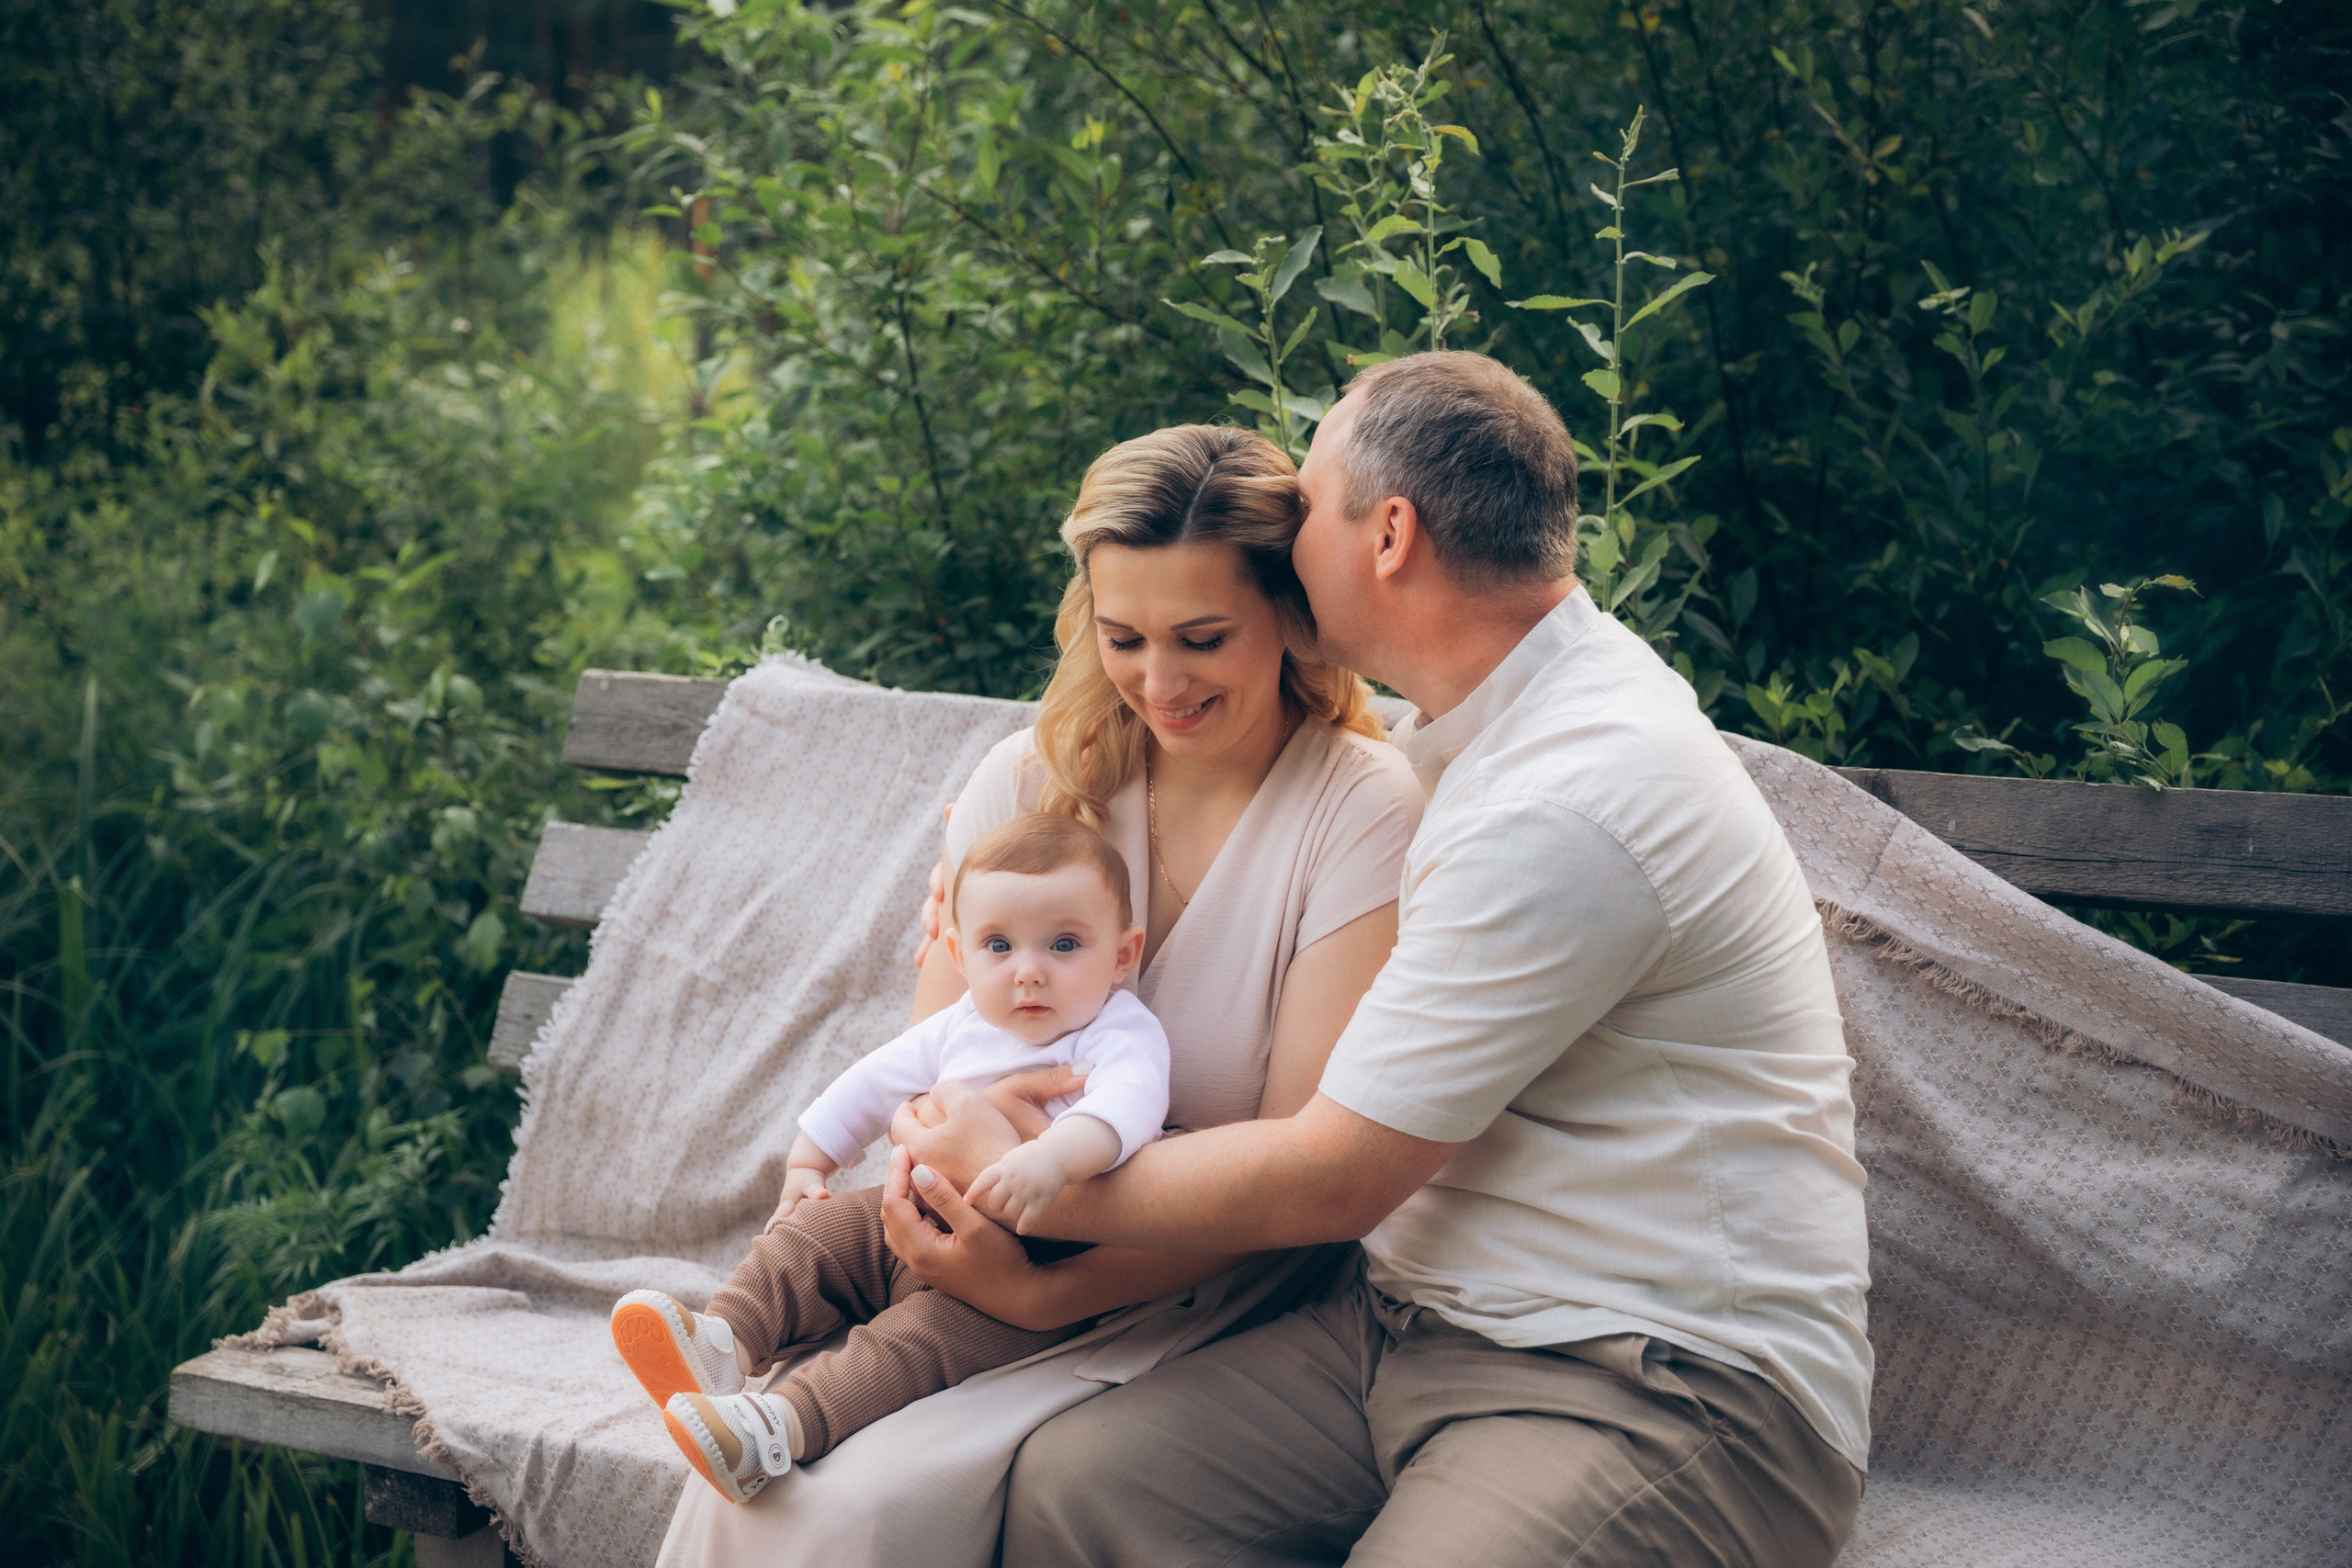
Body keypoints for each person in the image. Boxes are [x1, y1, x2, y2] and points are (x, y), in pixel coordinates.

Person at [889, 352, 1874, 1567]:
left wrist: (1017, 1174)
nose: (1281, 530)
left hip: (1655, 1374)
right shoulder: (1478, 731)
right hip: (1404, 1327)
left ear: (1390, 534)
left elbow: (1335, 1173)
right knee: (1078, 1490)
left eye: (1306, 501)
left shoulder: (1569, 795)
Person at [655, 423, 1424, 1566]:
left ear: (1291, 617)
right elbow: (938, 1093)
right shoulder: (1029, 785)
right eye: (1124, 637)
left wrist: (1045, 1294)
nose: (1159, 682)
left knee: (856, 1510)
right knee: (770, 1496)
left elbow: (1290, 1175)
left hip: (1207, 1289)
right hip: (968, 1252)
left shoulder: (1358, 810)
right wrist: (961, 1241)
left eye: (1202, 638)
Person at [610, 813, 1164, 1501]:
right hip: (912, 1211)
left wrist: (1053, 1158)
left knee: (911, 1343)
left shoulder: (1116, 1031)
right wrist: (809, 1163)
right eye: (999, 945)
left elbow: (1129, 1108)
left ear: (1122, 953)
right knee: (816, 1232)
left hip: (1027, 1261)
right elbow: (873, 1082)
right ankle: (725, 1341)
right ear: (959, 953)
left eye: (1064, 944)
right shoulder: (962, 1022)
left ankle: (773, 1429)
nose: (1029, 972)